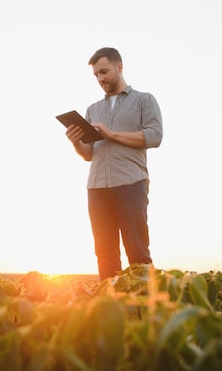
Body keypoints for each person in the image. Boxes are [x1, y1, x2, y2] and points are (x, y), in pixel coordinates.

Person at [65, 47, 163, 280]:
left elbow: (154, 136)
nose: (100, 79)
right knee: (105, 255)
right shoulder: (93, 109)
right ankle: (113, 310)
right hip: (96, 187)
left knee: (138, 254)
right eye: (96, 75)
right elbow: (89, 154)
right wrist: (76, 142)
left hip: (130, 183)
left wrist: (112, 134)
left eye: (104, 72)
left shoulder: (144, 100)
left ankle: (145, 311)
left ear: (120, 66)